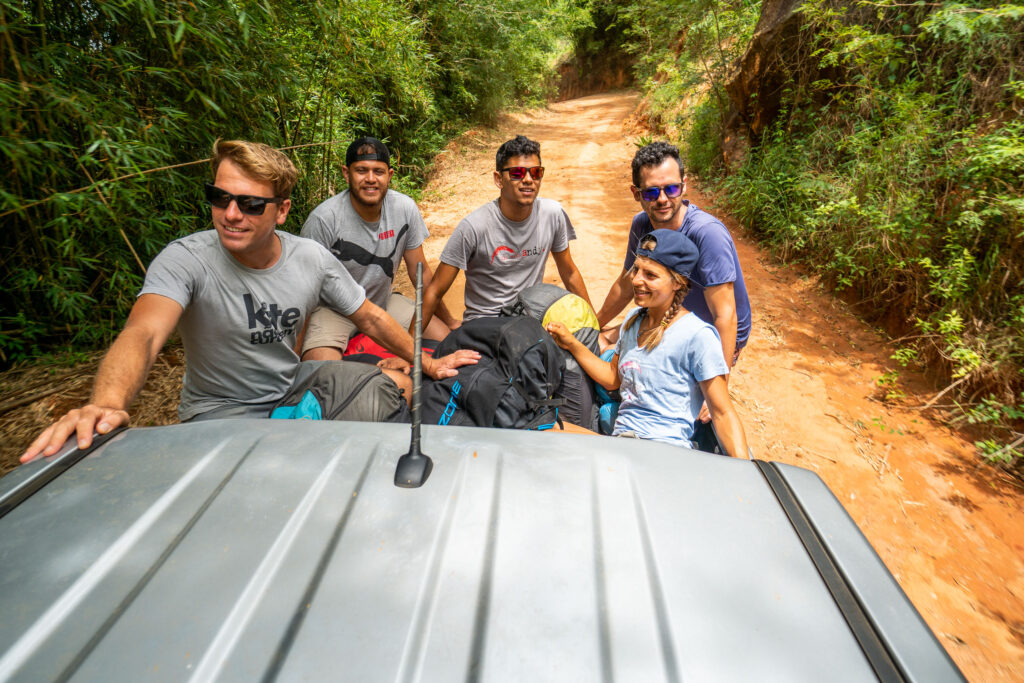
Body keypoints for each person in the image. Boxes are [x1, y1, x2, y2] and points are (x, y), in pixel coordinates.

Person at [21, 139, 478, 463]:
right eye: (220, 199)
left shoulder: (310, 258)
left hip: (289, 385)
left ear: (281, 211)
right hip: (221, 413)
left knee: (402, 388)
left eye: (250, 204)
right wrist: (106, 401)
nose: (232, 214)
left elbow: (373, 316)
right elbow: (143, 333)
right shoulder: (186, 259)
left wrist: (428, 363)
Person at [548, 229, 749, 457]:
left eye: (650, 275)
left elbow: (722, 412)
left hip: (665, 452)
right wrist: (572, 343)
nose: (636, 280)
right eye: (636, 270)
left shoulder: (697, 336)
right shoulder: (633, 321)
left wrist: (746, 470)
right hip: (621, 444)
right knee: (544, 428)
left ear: (677, 283)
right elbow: (613, 378)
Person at [595, 142, 750, 421]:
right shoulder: (642, 225)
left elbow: (725, 315)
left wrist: (718, 391)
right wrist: (595, 322)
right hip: (664, 314)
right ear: (636, 193)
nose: (663, 199)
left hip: (708, 330)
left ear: (685, 185)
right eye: (652, 192)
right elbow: (627, 282)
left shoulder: (707, 234)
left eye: (672, 189)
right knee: (598, 340)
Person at [300, 136, 457, 360]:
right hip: (334, 313)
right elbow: (304, 291)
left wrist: (450, 321)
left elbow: (420, 274)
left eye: (378, 171)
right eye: (361, 170)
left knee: (447, 344)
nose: (371, 179)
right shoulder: (324, 220)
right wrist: (294, 353)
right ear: (346, 173)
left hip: (382, 303)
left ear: (390, 175)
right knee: (323, 372)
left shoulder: (403, 208)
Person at [418, 135, 592, 331]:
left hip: (529, 320)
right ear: (499, 179)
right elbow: (435, 291)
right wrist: (408, 351)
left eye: (535, 172)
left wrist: (594, 328)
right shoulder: (474, 227)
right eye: (517, 173)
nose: (528, 180)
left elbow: (569, 273)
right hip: (485, 324)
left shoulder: (552, 214)